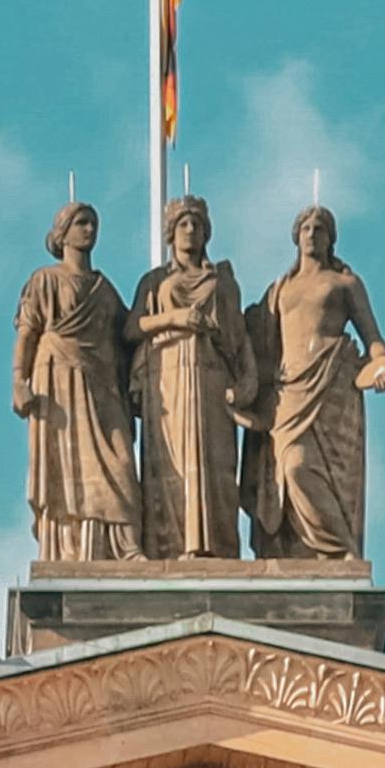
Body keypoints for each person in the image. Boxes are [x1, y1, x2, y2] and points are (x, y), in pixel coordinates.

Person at [243, 204, 385, 565]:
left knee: (308, 468)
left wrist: (382, 368)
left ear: (330, 239)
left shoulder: (344, 283)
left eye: (320, 229)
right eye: (306, 229)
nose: (312, 234)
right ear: (296, 237)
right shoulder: (277, 290)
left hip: (330, 383)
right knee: (288, 467)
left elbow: (374, 338)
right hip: (287, 391)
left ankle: (340, 549)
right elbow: (259, 344)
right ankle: (299, 547)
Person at [9, 198, 140, 566]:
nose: (89, 229)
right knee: (68, 471)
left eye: (93, 223)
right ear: (62, 233)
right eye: (81, 222)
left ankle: (126, 544)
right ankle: (73, 547)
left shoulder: (104, 288)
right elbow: (28, 333)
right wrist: (19, 379)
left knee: (121, 464)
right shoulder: (45, 280)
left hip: (102, 382)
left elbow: (129, 335)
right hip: (59, 379)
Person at [127, 194, 255, 559]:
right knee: (171, 465)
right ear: (170, 232)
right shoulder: (154, 281)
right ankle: (168, 548)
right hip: (166, 378)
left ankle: (216, 548)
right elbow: (131, 327)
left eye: (196, 223)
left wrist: (248, 380)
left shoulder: (222, 281)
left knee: (215, 464)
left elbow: (239, 334)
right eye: (183, 223)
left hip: (212, 376)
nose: (190, 230)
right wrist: (175, 319)